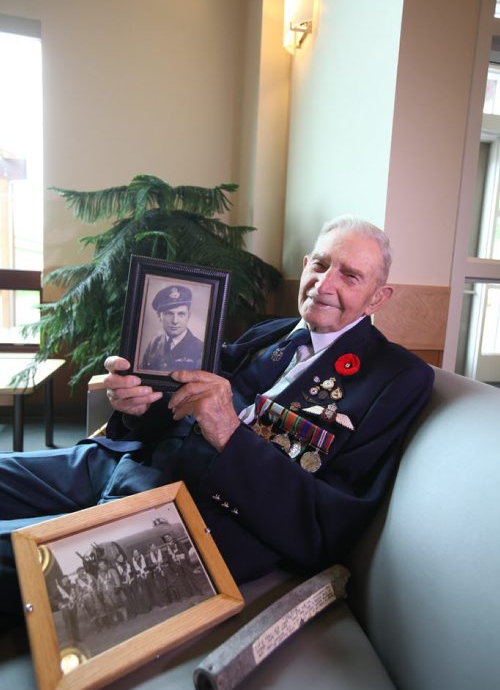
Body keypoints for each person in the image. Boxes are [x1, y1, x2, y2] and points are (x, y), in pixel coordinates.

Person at [0, 217, 434, 625]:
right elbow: (179, 406)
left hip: (199, 521)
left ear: (379, 296)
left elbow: (326, 528)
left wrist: (230, 433)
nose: (324, 284)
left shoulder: (395, 380)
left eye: (350, 275)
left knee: (12, 557)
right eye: (320, 265)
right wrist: (138, 404)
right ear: (305, 266)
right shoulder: (271, 333)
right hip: (130, 464)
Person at [140, 284, 204, 372]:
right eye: (169, 314)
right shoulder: (153, 344)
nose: (175, 321)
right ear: (159, 316)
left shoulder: (200, 349)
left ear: (188, 316)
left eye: (181, 314)